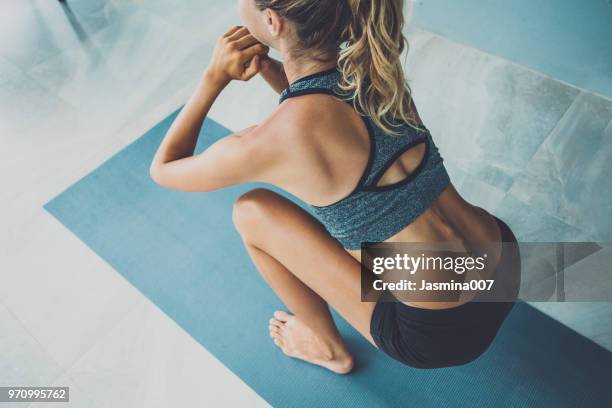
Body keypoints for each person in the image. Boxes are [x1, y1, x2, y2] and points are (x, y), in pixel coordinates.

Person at [149, 0, 520, 374]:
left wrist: (213, 77)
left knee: (250, 210)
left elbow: (164, 169)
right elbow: (324, 101)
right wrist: (267, 67)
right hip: (506, 268)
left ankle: (329, 349)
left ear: (272, 22)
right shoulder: (375, 70)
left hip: (438, 335)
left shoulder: (270, 142)